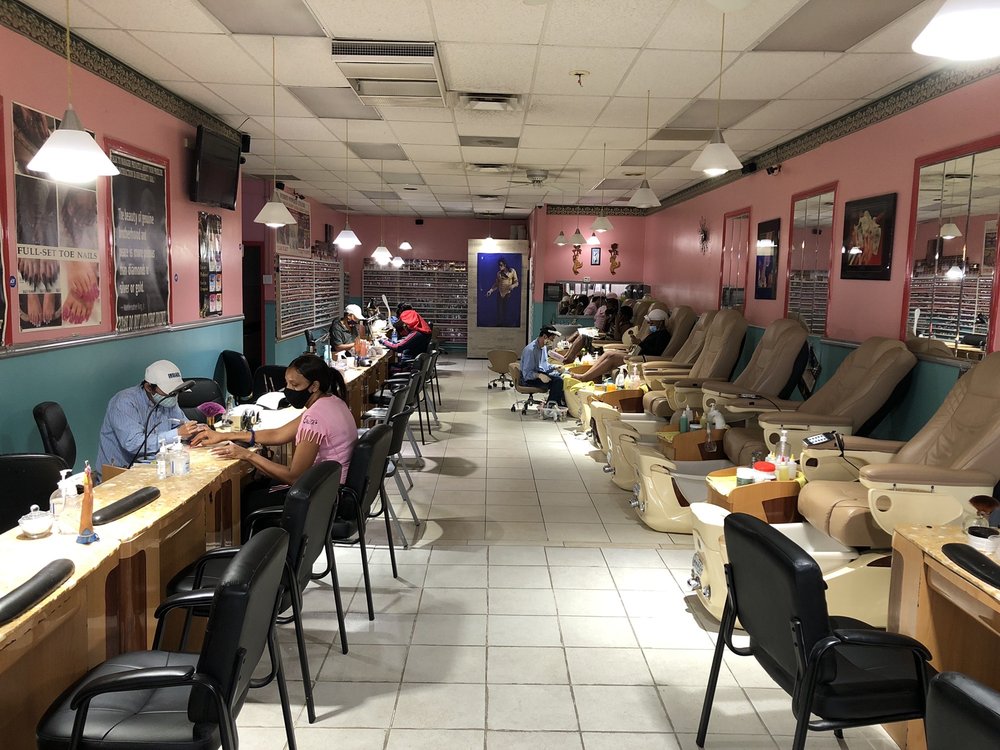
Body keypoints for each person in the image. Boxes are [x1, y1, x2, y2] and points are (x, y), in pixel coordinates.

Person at [191, 354, 356, 527]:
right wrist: (225, 435)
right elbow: (279, 434)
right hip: (332, 489)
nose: (288, 390)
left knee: (245, 502)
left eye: (295, 385)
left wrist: (248, 455)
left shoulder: (315, 417)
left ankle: (263, 544)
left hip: (327, 497)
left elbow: (294, 476)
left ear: (314, 386)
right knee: (254, 487)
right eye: (287, 383)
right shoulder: (331, 402)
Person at [97, 359, 205, 472]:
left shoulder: (169, 399)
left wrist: (197, 430)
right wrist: (176, 434)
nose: (173, 396)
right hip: (121, 473)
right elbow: (134, 444)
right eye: (169, 392)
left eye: (175, 392)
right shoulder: (124, 402)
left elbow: (180, 425)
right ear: (149, 387)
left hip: (156, 466)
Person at [564, 307, 671, 383]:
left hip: (642, 359)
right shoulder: (654, 333)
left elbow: (656, 352)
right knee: (608, 354)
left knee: (612, 356)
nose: (649, 325)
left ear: (661, 322)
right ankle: (588, 375)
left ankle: (583, 378)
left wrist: (640, 343)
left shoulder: (663, 335)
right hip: (637, 355)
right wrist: (638, 343)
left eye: (652, 323)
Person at [519, 325, 565, 406]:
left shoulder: (543, 348)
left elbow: (544, 366)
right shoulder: (531, 350)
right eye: (552, 339)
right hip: (528, 380)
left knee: (561, 376)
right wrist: (539, 375)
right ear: (545, 336)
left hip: (538, 374)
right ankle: (551, 405)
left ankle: (558, 403)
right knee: (558, 381)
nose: (552, 341)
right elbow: (527, 374)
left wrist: (555, 367)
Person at [485, 256, 519, 327]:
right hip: (500, 293)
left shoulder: (512, 271)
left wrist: (512, 286)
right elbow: (496, 284)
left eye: (501, 265)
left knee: (507, 311)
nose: (500, 266)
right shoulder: (499, 274)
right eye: (499, 265)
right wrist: (490, 291)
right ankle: (500, 325)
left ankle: (507, 325)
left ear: (505, 264)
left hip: (508, 293)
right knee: (499, 311)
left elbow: (516, 282)